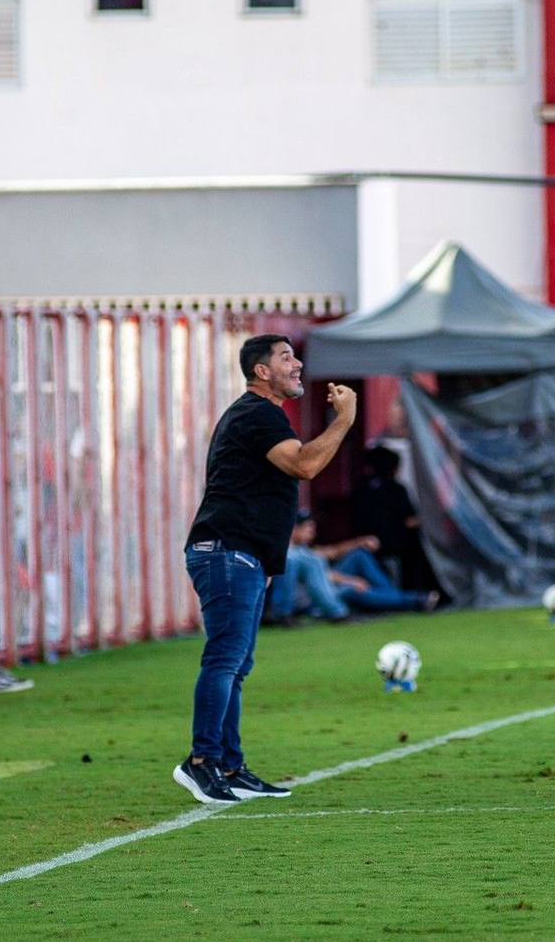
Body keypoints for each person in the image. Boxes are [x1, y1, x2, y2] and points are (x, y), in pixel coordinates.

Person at [176, 333, 355, 805]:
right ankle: (201, 762)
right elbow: (304, 465)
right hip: (227, 553)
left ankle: (229, 766)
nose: (297, 365)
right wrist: (344, 420)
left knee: (235, 665)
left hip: (242, 555)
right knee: (224, 660)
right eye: (286, 357)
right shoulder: (258, 414)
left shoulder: (260, 415)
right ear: (262, 371)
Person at [267, 514, 437, 622]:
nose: (312, 533)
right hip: (314, 600)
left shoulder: (305, 549)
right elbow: (321, 578)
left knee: (359, 555)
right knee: (356, 589)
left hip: (329, 588)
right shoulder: (290, 554)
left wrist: (360, 542)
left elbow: (334, 552)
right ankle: (411, 600)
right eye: (308, 529)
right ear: (294, 529)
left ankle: (392, 596)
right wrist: (351, 580)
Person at [351, 445, 432, 592]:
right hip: (394, 547)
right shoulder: (396, 489)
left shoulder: (360, 488)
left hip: (363, 544)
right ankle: (412, 593)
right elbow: (410, 521)